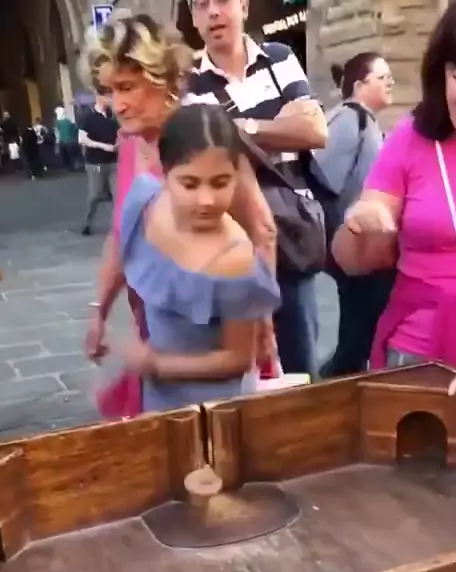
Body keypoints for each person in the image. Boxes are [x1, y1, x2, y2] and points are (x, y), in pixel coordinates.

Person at [80, 12, 278, 369]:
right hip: (156, 325)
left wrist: (261, 319)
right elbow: (121, 232)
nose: (117, 104)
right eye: (110, 91)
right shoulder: (131, 142)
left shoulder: (204, 134)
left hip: (215, 332)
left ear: (163, 79)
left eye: (127, 87)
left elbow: (261, 229)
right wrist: (100, 309)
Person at [332, 0, 456, 372]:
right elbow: (354, 260)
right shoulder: (411, 139)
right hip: (418, 356)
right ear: (440, 75)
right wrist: (361, 222)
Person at [187, 0, 327, 378]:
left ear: (244, 7)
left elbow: (315, 131)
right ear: (193, 17)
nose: (213, 12)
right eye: (201, 4)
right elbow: (205, 156)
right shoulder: (188, 83)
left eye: (222, 1)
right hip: (230, 241)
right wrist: (279, 125)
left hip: (289, 232)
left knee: (301, 360)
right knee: (243, 366)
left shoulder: (279, 58)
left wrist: (240, 129)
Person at [115, 103, 281, 411]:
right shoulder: (145, 201)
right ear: (166, 172)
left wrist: (155, 364)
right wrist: (99, 312)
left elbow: (239, 358)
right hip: (159, 399)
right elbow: (118, 247)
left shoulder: (236, 260)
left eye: (220, 183)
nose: (206, 200)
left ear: (237, 175)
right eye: (189, 183)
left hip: (217, 409)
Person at [317, 53, 396, 377]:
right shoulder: (350, 119)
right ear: (360, 85)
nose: (390, 83)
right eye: (382, 77)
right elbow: (322, 176)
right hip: (352, 244)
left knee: (362, 325)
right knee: (359, 327)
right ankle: (337, 382)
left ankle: (343, 378)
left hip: (363, 247)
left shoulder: (366, 122)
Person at [79, 85, 118, 235]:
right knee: (95, 195)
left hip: (114, 161)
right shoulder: (87, 117)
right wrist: (104, 146)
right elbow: (82, 139)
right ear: (99, 97)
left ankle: (117, 225)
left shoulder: (113, 116)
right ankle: (87, 222)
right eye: (108, 96)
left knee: (117, 193)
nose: (111, 99)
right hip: (95, 162)